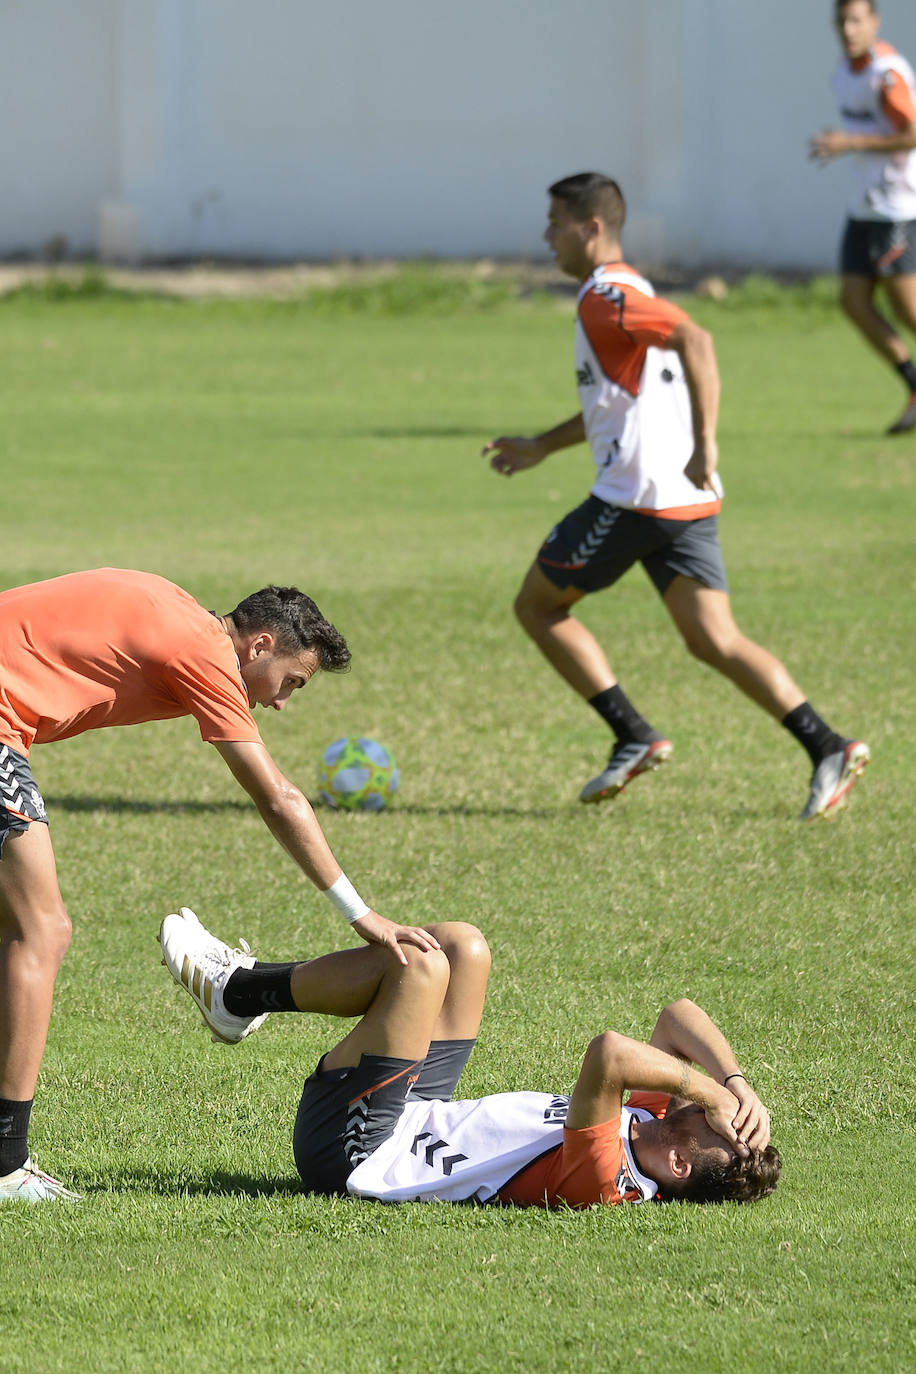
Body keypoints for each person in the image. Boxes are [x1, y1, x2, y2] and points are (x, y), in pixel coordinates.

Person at [0, 568, 439, 1204]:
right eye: (291, 681)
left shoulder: (180, 613)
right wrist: (360, 914)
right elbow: (279, 798)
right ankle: (7, 1165)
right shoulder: (202, 651)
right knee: (40, 930)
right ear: (260, 645)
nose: (282, 702)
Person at [483, 172, 870, 821]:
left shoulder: (605, 296)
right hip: (682, 500)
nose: (547, 237)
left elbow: (699, 339)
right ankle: (827, 746)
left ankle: (632, 734)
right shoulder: (629, 291)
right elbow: (618, 406)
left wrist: (706, 442)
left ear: (592, 228)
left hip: (636, 499)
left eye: (555, 223)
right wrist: (543, 446)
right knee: (714, 639)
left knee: (538, 606)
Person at [155, 907, 780, 1208]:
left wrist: (711, 1095)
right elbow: (679, 1015)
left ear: (677, 1163)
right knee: (463, 947)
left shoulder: (607, 1176)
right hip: (420, 1111)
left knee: (420, 968)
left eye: (714, 1129)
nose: (709, 1114)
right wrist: (734, 1081)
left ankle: (240, 990)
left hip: (354, 1150)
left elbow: (610, 1054)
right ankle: (239, 994)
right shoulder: (651, 1127)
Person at [809, 0, 916, 434]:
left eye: (856, 20)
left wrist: (849, 142)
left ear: (875, 22)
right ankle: (913, 385)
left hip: (896, 208)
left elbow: (912, 133)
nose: (848, 29)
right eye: (841, 20)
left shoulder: (886, 74)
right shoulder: (844, 71)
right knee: (853, 302)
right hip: (865, 207)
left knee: (908, 312)